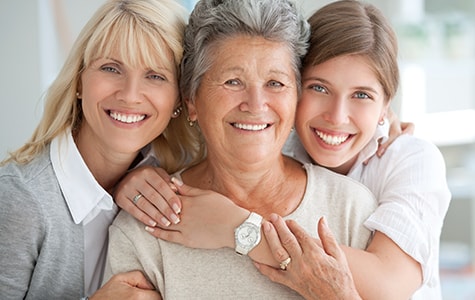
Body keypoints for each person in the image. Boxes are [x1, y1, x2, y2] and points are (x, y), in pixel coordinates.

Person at [113, 0, 451, 299]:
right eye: (233, 81)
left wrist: (241, 229)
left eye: (275, 83)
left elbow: (390, 286)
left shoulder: (360, 202)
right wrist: (129, 177)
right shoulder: (146, 225)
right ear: (191, 101)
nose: (256, 105)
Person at [0, 0, 202, 298]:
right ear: (79, 80)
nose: (130, 95)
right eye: (111, 68)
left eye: (155, 76)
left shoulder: (180, 171)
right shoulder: (21, 201)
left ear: (178, 100)